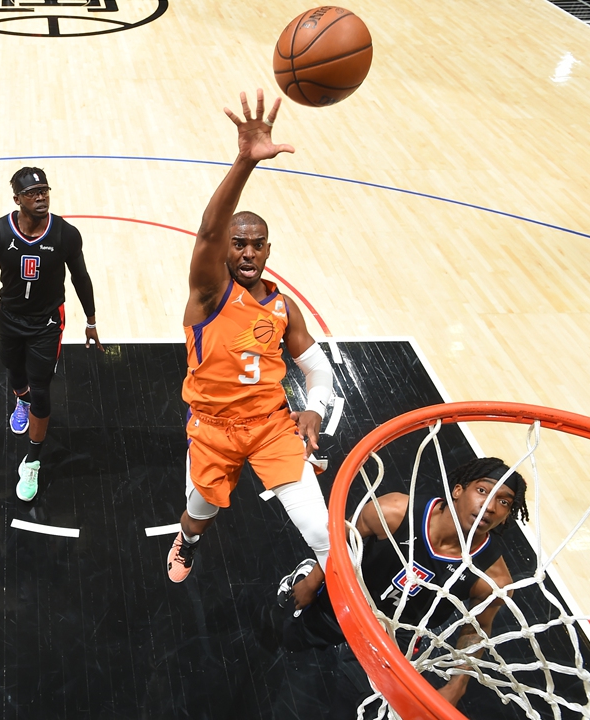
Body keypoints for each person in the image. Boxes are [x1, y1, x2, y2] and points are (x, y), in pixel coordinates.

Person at [165, 89, 335, 584]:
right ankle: (189, 541)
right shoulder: (208, 292)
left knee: (322, 533)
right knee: (198, 514)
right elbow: (207, 234)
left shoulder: (283, 306)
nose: (245, 253)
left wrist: (314, 409)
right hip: (213, 429)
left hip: (271, 427)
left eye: (255, 245)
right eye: (238, 244)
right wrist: (245, 161)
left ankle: (323, 601)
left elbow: (318, 369)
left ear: (267, 250)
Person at [272, 456, 528, 712]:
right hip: (347, 597)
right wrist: (312, 581)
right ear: (458, 490)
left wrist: (457, 686)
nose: (490, 506)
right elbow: (343, 541)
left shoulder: (493, 579)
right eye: (482, 490)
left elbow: (477, 629)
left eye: (503, 501)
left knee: (355, 704)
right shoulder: (393, 511)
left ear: (506, 516)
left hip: (397, 631)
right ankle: (304, 571)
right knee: (290, 640)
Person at [0, 167, 102, 502]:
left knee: (41, 388)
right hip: (9, 318)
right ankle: (20, 398)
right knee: (13, 370)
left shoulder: (65, 234)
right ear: (17, 199)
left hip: (47, 323)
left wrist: (91, 321)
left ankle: (32, 460)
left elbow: (81, 277)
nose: (41, 198)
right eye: (33, 193)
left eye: (45, 191)